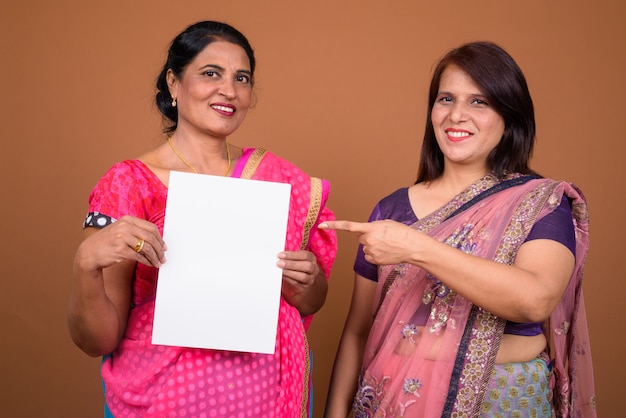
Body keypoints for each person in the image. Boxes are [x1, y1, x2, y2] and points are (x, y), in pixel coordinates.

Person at [67, 20, 337, 417]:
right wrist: (85, 263)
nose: (228, 90)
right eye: (211, 73)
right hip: (163, 399)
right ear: (174, 83)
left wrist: (307, 282)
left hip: (267, 396)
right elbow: (98, 340)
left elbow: (311, 301)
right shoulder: (130, 184)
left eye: (241, 78)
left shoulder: (279, 181)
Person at [322, 41, 596, 417]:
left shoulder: (540, 204)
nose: (456, 115)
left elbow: (535, 299)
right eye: (446, 99)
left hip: (502, 405)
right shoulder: (392, 210)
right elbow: (357, 332)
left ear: (510, 115)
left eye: (479, 102)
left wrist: (416, 248)